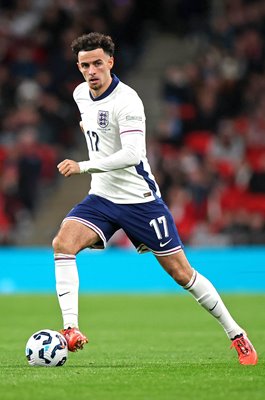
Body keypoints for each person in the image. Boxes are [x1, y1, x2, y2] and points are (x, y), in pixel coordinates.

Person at [53, 32, 257, 365]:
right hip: (102, 197)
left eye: (97, 63)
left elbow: (133, 153)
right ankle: (70, 329)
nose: (91, 71)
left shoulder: (128, 101)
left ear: (111, 62)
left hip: (140, 200)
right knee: (63, 244)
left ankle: (236, 333)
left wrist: (84, 165)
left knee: (182, 275)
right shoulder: (80, 94)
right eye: (85, 65)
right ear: (78, 67)